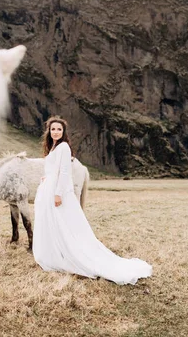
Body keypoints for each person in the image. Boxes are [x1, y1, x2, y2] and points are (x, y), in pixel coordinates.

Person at [32, 116, 152, 285]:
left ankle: (70, 254)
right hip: (48, 187)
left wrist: (58, 193)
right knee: (52, 222)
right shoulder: (53, 147)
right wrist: (46, 178)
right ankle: (55, 252)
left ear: (63, 132)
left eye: (59, 129)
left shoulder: (64, 147)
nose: (56, 132)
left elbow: (65, 172)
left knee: (64, 223)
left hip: (57, 190)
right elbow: (54, 169)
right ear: (49, 131)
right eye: (53, 129)